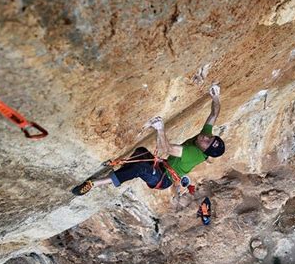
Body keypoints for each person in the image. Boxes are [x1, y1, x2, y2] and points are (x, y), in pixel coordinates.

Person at [77, 83, 225, 194]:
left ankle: (94, 184)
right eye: (210, 137)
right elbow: (214, 115)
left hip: (163, 180)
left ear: (204, 150)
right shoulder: (205, 139)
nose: (206, 137)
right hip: (162, 167)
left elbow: (165, 148)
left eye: (207, 142)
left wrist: (160, 128)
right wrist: (216, 96)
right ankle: (120, 170)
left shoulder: (194, 153)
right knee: (140, 151)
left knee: (141, 168)